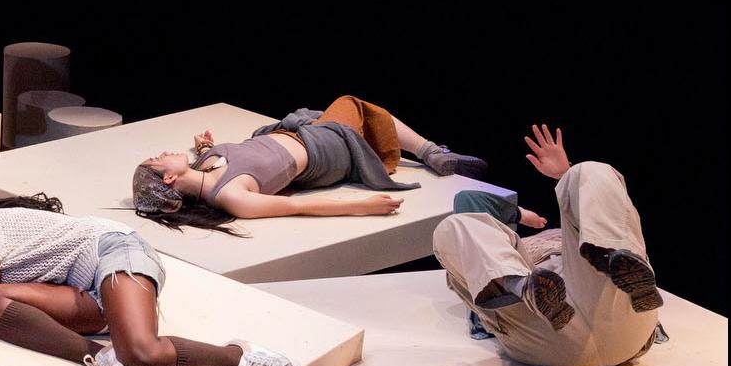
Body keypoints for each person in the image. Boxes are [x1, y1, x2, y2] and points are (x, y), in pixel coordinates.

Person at [0, 195, 307, 366]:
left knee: (142, 355)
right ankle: (100, 356)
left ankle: (239, 356)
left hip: (114, 253)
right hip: (83, 294)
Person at [431, 124, 664, 366]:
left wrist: (565, 174)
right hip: (543, 328)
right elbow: (468, 201)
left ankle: (607, 256)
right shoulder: (495, 255)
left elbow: (593, 202)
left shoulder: (580, 236)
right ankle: (522, 288)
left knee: (590, 169)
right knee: (453, 226)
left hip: (609, 308)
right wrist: (518, 214)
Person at [131, 97, 489, 232]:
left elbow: (225, 157)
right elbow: (295, 206)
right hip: (323, 153)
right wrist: (362, 206)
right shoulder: (231, 196)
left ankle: (428, 151)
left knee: (351, 115)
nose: (163, 152)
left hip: (300, 134)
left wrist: (205, 146)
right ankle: (430, 152)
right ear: (170, 178)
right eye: (158, 159)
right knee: (352, 105)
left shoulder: (203, 164)